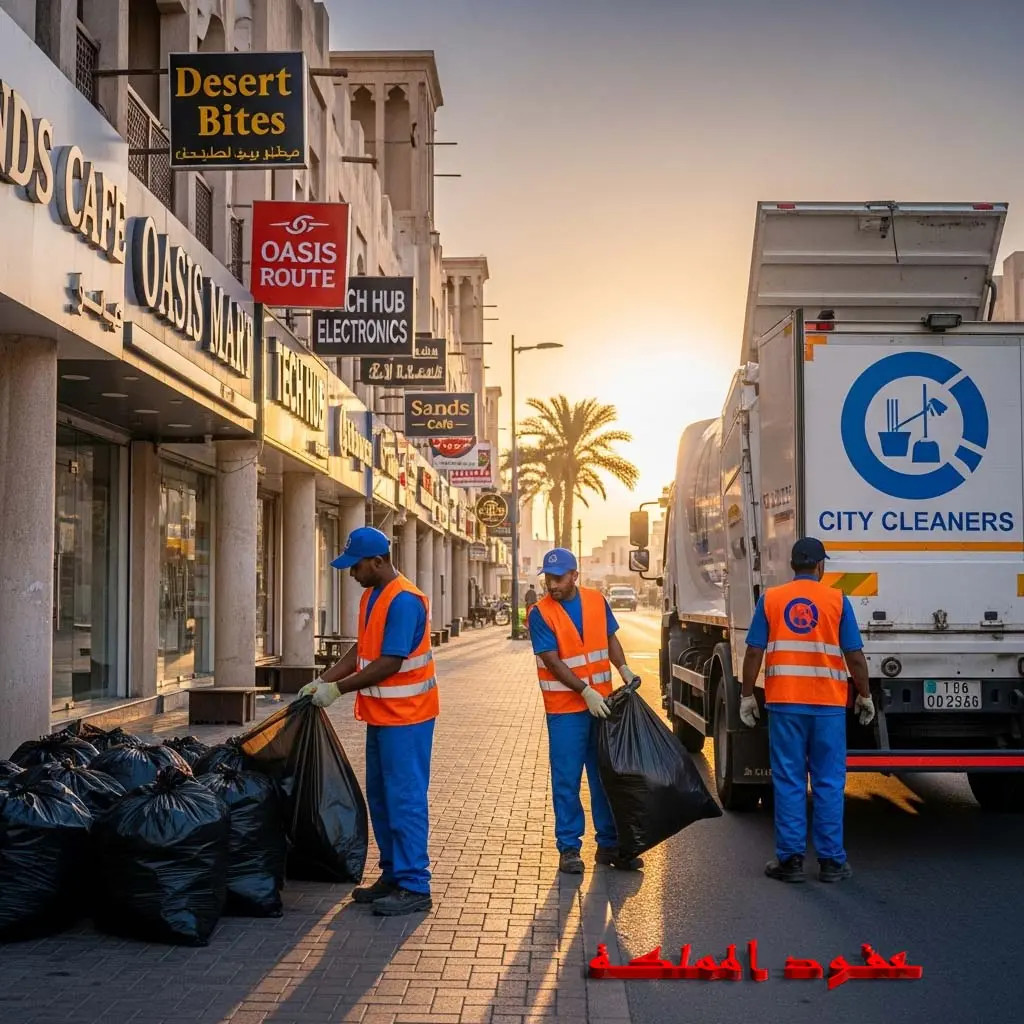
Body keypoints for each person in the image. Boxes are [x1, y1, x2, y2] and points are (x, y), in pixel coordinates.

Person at [300, 526, 437, 917]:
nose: (351, 573)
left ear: (378, 561)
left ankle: (414, 885)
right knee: (382, 797)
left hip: (408, 719)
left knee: (405, 800)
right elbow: (363, 651)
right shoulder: (373, 596)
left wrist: (336, 690)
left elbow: (389, 663)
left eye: (356, 566)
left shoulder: (405, 600)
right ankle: (393, 875)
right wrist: (321, 681)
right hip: (383, 718)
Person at [739, 537, 874, 884]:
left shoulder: (771, 599)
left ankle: (792, 861)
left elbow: (754, 651)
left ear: (792, 566)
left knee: (789, 780)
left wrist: (746, 695)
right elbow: (854, 655)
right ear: (820, 566)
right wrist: (865, 695)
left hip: (785, 703)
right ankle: (831, 862)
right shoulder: (837, 600)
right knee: (829, 782)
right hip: (828, 705)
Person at [528, 547, 643, 874]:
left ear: (575, 575)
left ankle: (608, 845)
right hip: (566, 711)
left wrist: (623, 669)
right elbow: (551, 661)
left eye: (559, 578)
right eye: (548, 578)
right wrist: (585, 691)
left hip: (602, 706)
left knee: (604, 776)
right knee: (567, 779)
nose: (553, 585)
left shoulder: (596, 600)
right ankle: (569, 848)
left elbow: (610, 639)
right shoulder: (540, 613)